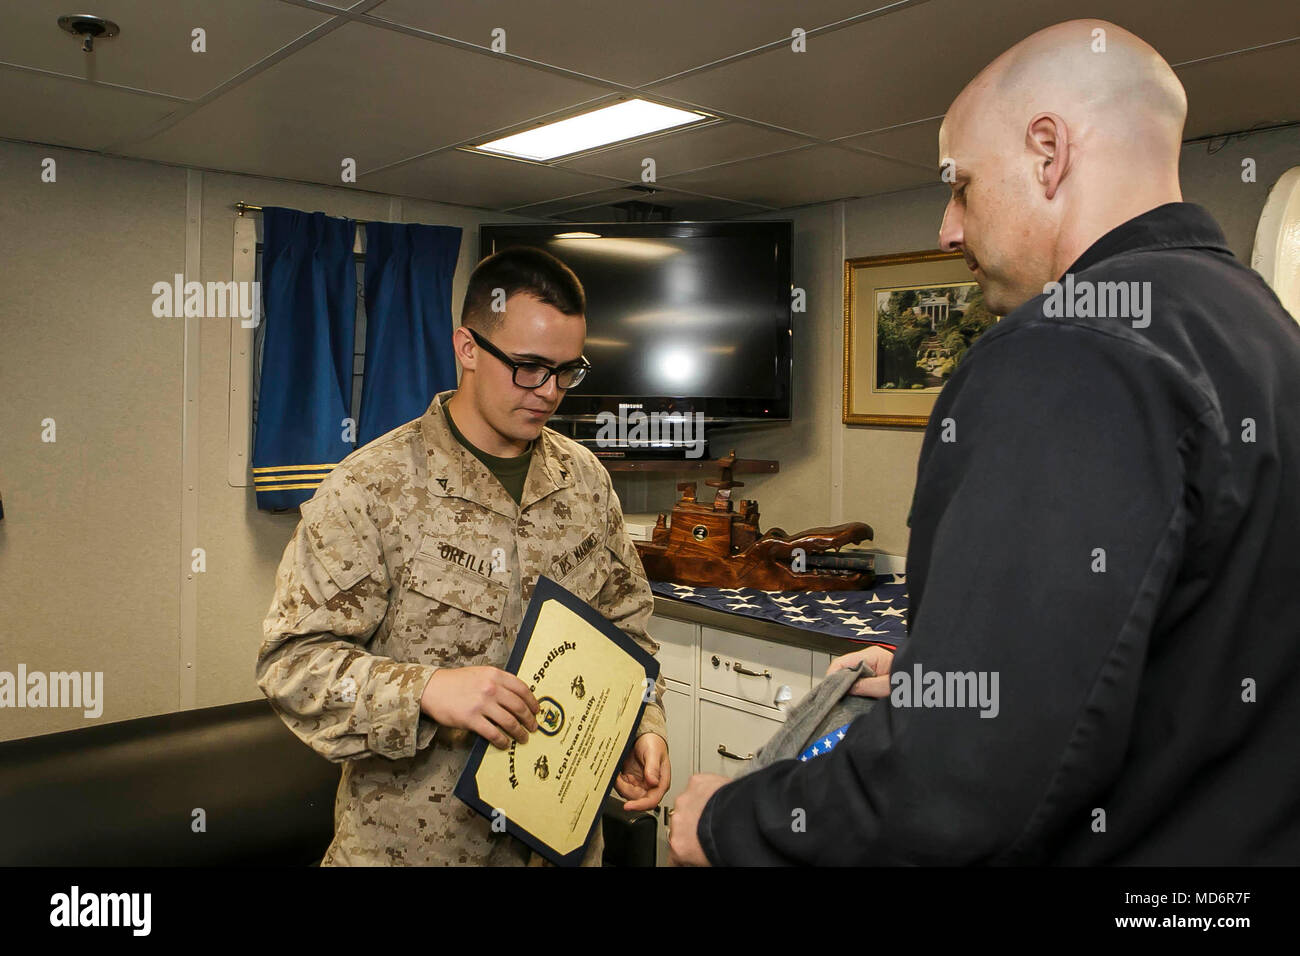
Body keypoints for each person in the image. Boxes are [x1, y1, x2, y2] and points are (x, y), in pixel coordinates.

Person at [669, 18, 1300, 865]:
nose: (948, 229)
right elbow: (1189, 659)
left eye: (960, 186)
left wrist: (731, 825)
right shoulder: (1264, 332)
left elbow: (955, 788)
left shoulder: (1067, 346)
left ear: (1049, 151)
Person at [257, 246, 670, 866]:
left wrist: (641, 724)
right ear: (468, 348)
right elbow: (293, 666)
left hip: (558, 843)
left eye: (568, 371)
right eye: (529, 367)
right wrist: (426, 690)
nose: (550, 392)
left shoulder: (584, 479)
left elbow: (626, 625)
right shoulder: (371, 488)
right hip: (414, 851)